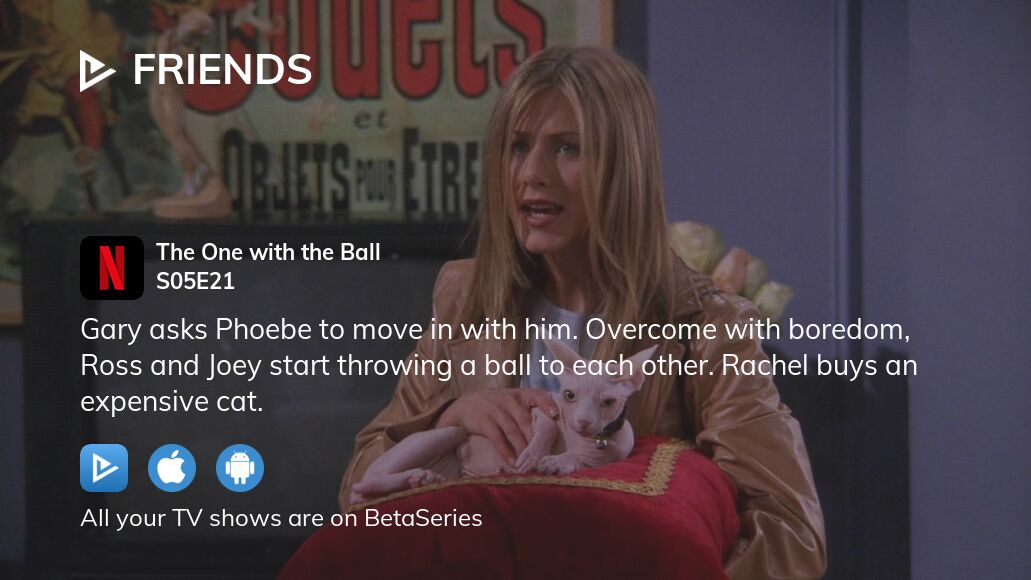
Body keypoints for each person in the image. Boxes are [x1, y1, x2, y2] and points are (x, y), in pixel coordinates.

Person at [339, 46, 826, 579]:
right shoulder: (463, 297)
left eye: (567, 148)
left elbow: (790, 535)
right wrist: (453, 416)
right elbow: (358, 487)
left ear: (624, 168)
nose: (531, 173)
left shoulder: (708, 326)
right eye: (518, 146)